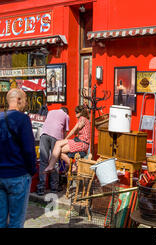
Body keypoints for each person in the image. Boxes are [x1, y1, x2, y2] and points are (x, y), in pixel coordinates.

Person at [0, 88, 37, 228]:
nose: (26, 104)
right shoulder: (23, 119)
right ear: (19, 100)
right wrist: (32, 170)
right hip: (18, 175)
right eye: (25, 100)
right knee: (16, 221)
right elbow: (29, 149)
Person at [44, 105, 90, 174]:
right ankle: (72, 166)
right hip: (81, 142)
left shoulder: (82, 118)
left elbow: (74, 130)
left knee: (58, 144)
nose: (75, 113)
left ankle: (51, 166)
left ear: (81, 113)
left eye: (77, 112)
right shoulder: (85, 119)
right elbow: (77, 131)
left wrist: (65, 139)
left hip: (82, 143)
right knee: (59, 151)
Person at [36, 107, 70, 196]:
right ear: (66, 112)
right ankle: (54, 187)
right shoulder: (66, 115)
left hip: (44, 134)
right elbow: (66, 132)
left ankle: (41, 188)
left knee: (43, 161)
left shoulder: (50, 111)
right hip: (56, 136)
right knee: (54, 161)